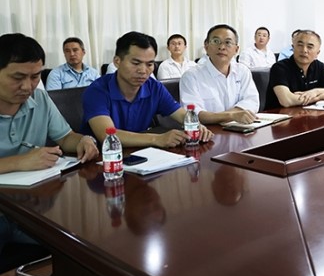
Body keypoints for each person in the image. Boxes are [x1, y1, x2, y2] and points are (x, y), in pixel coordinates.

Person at [0, 33, 99, 252]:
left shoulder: (40, 98)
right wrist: (18, 162)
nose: (28, 86)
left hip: (32, 207)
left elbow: (65, 137)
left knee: (89, 240)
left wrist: (83, 140)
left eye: (35, 76)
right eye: (18, 77)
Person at [82, 31, 213, 147]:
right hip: (103, 157)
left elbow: (181, 114)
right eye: (136, 63)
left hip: (141, 153)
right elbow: (107, 135)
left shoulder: (154, 87)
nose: (143, 70)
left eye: (149, 64)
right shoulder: (97, 91)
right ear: (117, 61)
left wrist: (197, 126)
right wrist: (157, 139)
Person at [180, 24, 260, 125]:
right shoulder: (191, 76)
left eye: (228, 42)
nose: (222, 47)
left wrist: (220, 116)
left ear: (236, 49)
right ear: (206, 46)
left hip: (240, 128)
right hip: (208, 131)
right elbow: (194, 115)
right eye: (216, 41)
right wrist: (231, 116)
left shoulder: (242, 71)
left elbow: (252, 102)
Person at [267, 30, 324, 108]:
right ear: (293, 48)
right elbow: (287, 101)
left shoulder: (319, 66)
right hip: (280, 114)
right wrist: (319, 98)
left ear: (317, 53)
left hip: (308, 112)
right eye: (300, 45)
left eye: (310, 47)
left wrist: (316, 92)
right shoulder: (279, 67)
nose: (304, 50)